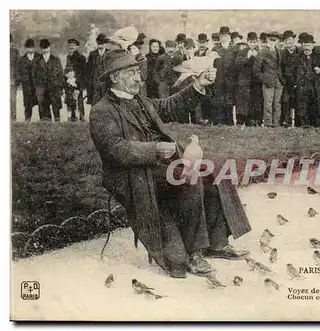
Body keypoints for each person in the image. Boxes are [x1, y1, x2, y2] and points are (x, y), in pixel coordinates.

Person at [89, 49, 251, 279]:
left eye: (137, 72)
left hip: (162, 166)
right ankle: (193, 253)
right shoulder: (101, 112)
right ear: (114, 77)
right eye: (131, 73)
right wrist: (154, 150)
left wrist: (198, 86)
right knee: (189, 181)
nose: (138, 78)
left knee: (213, 172)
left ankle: (216, 243)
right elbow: (116, 149)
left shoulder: (140, 100)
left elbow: (170, 107)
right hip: (135, 175)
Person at [253, 31, 285, 127]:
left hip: (279, 81)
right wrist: (264, 79)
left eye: (275, 40)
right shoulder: (262, 52)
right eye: (271, 40)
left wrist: (281, 78)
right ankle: (268, 123)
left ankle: (276, 123)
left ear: (278, 41)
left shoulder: (279, 51)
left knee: (277, 103)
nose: (272, 42)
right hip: (268, 82)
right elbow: (256, 69)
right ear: (267, 39)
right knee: (268, 103)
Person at [292, 34, 320, 127]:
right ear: (302, 46)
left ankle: (315, 127)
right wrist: (294, 83)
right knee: (302, 108)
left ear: (313, 46)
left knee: (315, 107)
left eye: (309, 45)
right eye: (305, 45)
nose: (306, 48)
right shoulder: (297, 58)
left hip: (315, 87)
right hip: (302, 87)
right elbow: (290, 72)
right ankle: (304, 127)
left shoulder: (319, 57)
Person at [234, 32, 261, 125]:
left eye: (254, 42)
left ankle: (251, 121)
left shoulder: (259, 51)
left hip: (255, 81)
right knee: (242, 101)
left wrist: (257, 57)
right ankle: (240, 120)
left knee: (254, 101)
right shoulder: (243, 51)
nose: (253, 44)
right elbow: (237, 65)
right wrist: (247, 57)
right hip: (244, 80)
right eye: (251, 42)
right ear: (247, 42)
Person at [33, 39, 64, 122]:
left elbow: (61, 75)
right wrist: (38, 87)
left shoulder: (56, 60)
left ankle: (57, 125)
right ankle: (45, 125)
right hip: (42, 88)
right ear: (41, 49)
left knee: (56, 108)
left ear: (50, 48)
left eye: (46, 47)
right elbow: (34, 75)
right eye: (43, 48)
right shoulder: (37, 61)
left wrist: (59, 87)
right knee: (43, 110)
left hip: (54, 88)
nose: (45, 49)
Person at [212, 26, 236, 125]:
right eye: (222, 36)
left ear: (229, 36)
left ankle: (229, 122)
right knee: (219, 100)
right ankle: (219, 122)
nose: (224, 38)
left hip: (230, 79)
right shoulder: (215, 49)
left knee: (229, 100)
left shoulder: (234, 48)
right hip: (219, 79)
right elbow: (212, 64)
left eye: (226, 35)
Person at [280, 30, 300, 126]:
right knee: (286, 102)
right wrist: (284, 81)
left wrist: (297, 82)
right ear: (284, 42)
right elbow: (279, 69)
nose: (289, 42)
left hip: (298, 83)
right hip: (286, 83)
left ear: (294, 40)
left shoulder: (300, 52)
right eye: (286, 40)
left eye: (291, 39)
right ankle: (286, 122)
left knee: (298, 102)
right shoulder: (281, 54)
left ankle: (298, 124)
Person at [18, 38, 40, 122]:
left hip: (37, 84)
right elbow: (18, 71)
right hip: (27, 85)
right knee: (27, 103)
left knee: (41, 102)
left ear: (34, 48)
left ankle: (43, 119)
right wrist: (22, 80)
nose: (30, 49)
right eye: (28, 47)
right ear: (26, 48)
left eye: (31, 47)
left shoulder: (39, 57)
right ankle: (27, 119)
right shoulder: (22, 59)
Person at [65, 38, 87, 122]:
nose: (71, 47)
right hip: (69, 83)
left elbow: (83, 73)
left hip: (78, 83)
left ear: (77, 46)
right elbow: (67, 69)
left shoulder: (81, 57)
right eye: (70, 45)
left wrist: (78, 85)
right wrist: (67, 77)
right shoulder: (68, 56)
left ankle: (81, 118)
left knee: (79, 100)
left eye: (73, 45)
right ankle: (72, 118)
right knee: (70, 100)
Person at [87, 33, 110, 106]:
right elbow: (89, 69)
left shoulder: (110, 53)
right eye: (99, 43)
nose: (100, 45)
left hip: (106, 82)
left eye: (102, 43)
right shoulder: (93, 54)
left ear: (106, 43)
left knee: (107, 102)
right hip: (95, 82)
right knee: (95, 103)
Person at [10, 34, 20, 121]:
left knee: (12, 100)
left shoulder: (15, 52)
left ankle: (13, 119)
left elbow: (18, 67)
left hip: (12, 81)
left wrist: (16, 80)